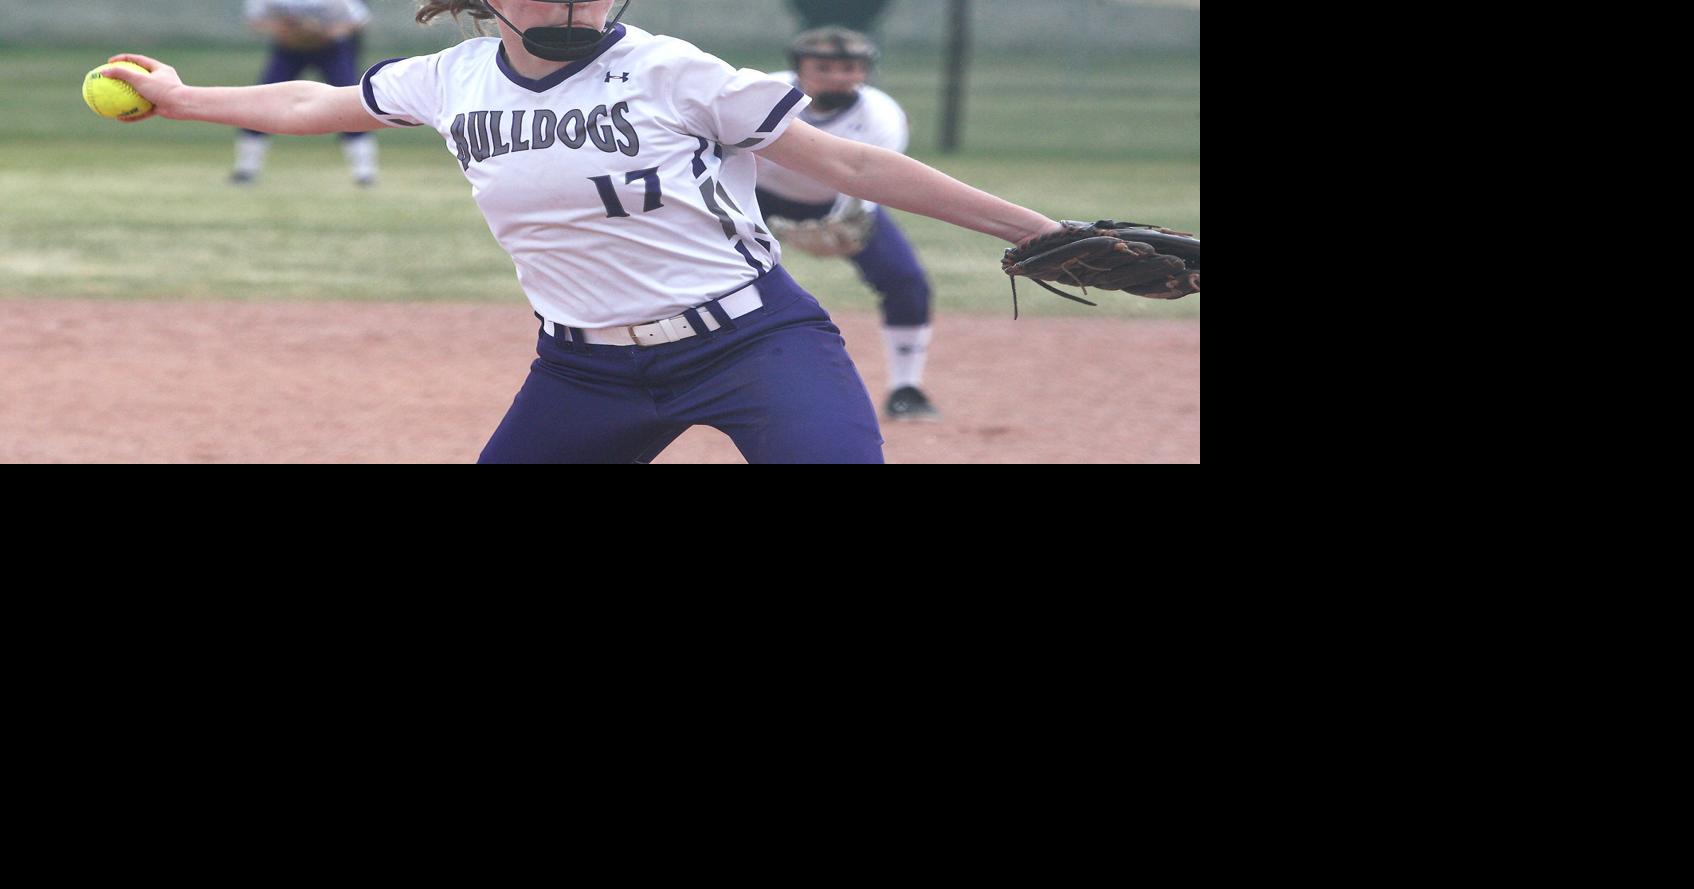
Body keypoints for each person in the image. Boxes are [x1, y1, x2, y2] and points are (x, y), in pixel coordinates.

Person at [98, 0, 1063, 464]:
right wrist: (181, 101)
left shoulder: (675, 70)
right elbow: (318, 99)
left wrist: (1042, 230)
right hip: (582, 371)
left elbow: (850, 166)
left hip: (755, 341)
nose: (569, 3)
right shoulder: (453, 77)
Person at [757, 27, 940, 421]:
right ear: (798, 68)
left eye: (851, 67)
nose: (839, 76)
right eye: (823, 67)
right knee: (719, 281)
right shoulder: (764, 94)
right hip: (755, 197)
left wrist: (845, 220)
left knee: (906, 280)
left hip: (842, 203)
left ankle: (905, 388)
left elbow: (873, 179)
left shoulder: (881, 114)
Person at [234, 0, 379, 187]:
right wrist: (285, 30)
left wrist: (324, 32)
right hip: (290, 50)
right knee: (261, 103)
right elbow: (255, 21)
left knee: (353, 104)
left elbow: (358, 20)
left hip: (331, 50)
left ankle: (365, 172)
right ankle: (246, 169)